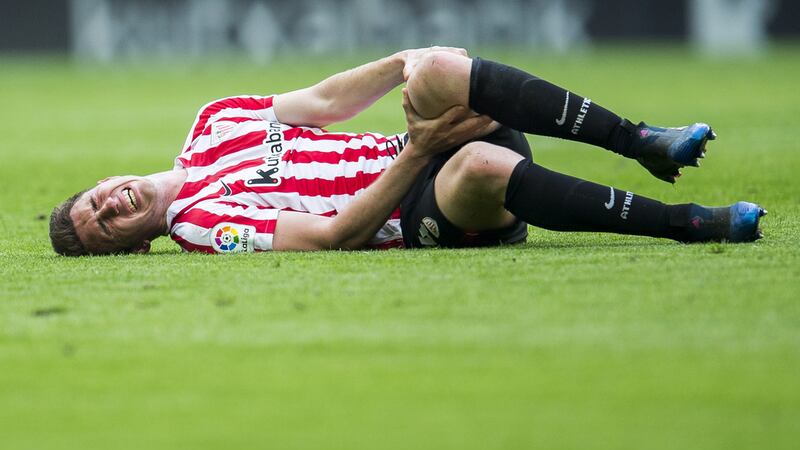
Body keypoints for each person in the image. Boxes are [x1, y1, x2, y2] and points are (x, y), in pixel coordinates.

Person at [49, 47, 766, 256]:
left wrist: (399, 66)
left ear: (101, 182)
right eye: (107, 225)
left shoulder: (212, 121)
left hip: (419, 141)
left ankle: (639, 140)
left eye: (95, 200)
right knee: (483, 167)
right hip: (421, 200)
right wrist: (421, 152)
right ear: (133, 245)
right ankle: (688, 222)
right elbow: (336, 235)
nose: (111, 205)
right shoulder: (202, 227)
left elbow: (326, 102)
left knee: (436, 70)